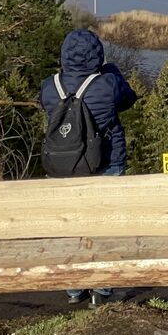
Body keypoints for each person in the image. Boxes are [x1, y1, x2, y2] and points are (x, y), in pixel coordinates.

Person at [39, 29, 139, 307]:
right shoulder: (107, 84)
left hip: (64, 167)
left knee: (71, 227)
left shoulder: (51, 86)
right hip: (105, 164)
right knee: (106, 228)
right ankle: (102, 289)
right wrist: (113, 72)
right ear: (98, 55)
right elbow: (128, 99)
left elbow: (48, 109)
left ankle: (74, 288)